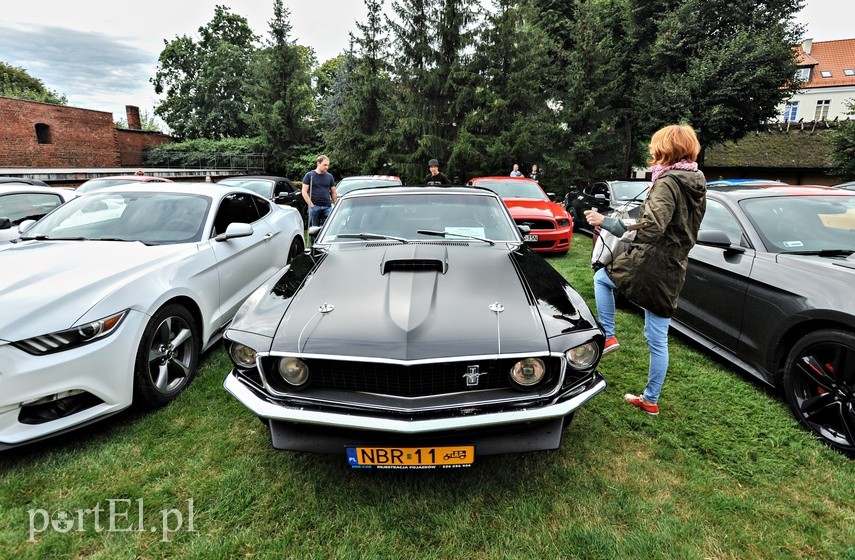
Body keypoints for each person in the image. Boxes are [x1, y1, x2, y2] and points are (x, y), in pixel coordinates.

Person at [584, 124, 706, 416]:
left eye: (654, 146)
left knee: (602, 278)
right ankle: (650, 400)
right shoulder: (696, 179)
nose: (651, 151)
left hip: (652, 261)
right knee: (657, 336)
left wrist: (608, 222)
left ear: (666, 149)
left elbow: (652, 227)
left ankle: (609, 335)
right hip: (675, 265)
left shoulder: (667, 182)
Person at [302, 155, 337, 228]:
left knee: (327, 228)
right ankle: (314, 240)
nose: (327, 167)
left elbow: (333, 191)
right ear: (318, 163)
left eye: (328, 165)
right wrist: (311, 205)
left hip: (327, 206)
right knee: (314, 229)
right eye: (325, 165)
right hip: (315, 206)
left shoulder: (329, 176)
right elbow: (304, 191)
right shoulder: (309, 175)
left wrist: (335, 204)